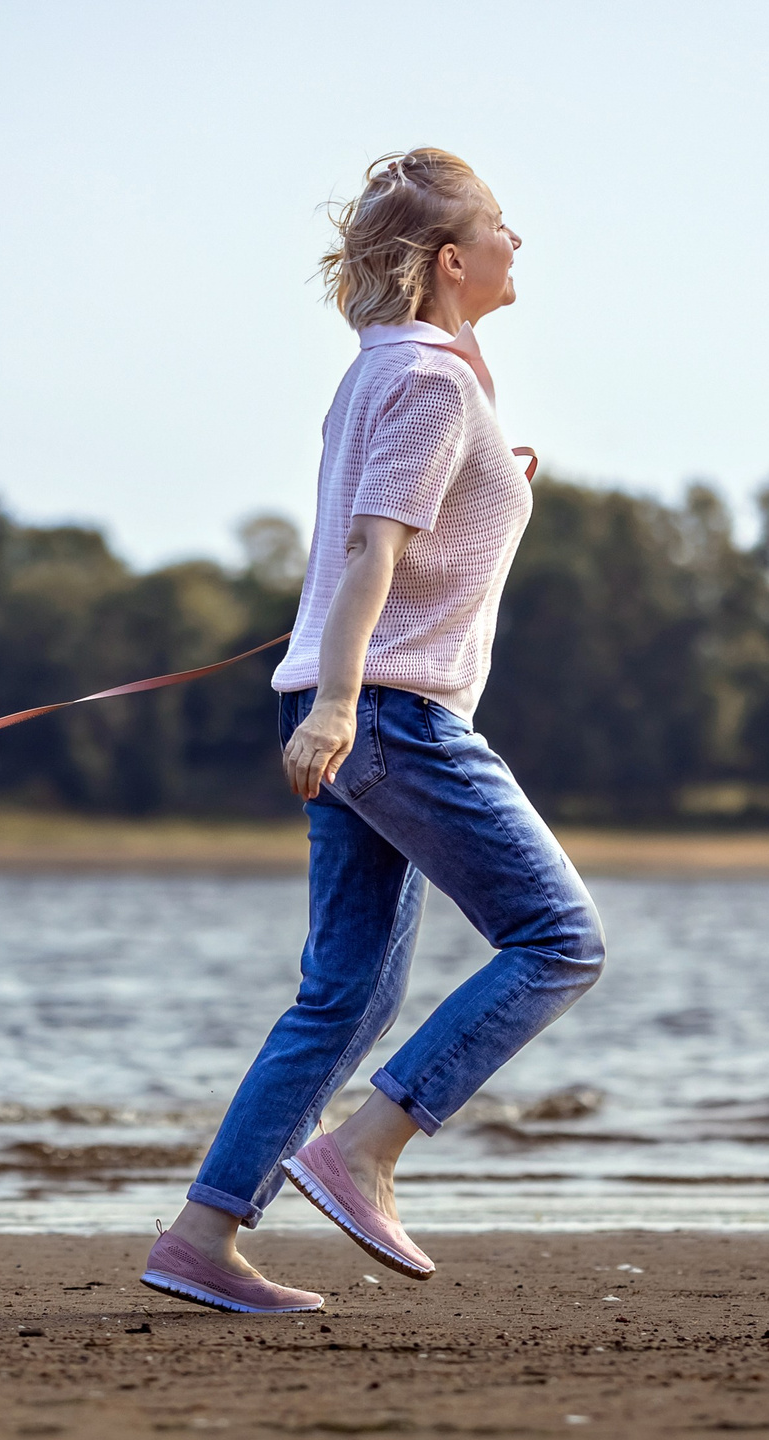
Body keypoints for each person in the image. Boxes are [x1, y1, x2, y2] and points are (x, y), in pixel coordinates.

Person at [139, 149, 607, 1314]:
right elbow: (373, 554)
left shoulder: (395, 373)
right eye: (500, 227)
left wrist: (503, 476)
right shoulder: (432, 382)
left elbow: (401, 531)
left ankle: (201, 1237)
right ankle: (365, 1150)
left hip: (351, 704)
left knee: (342, 996)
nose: (517, 244)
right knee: (557, 939)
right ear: (453, 260)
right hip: (388, 711)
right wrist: (343, 708)